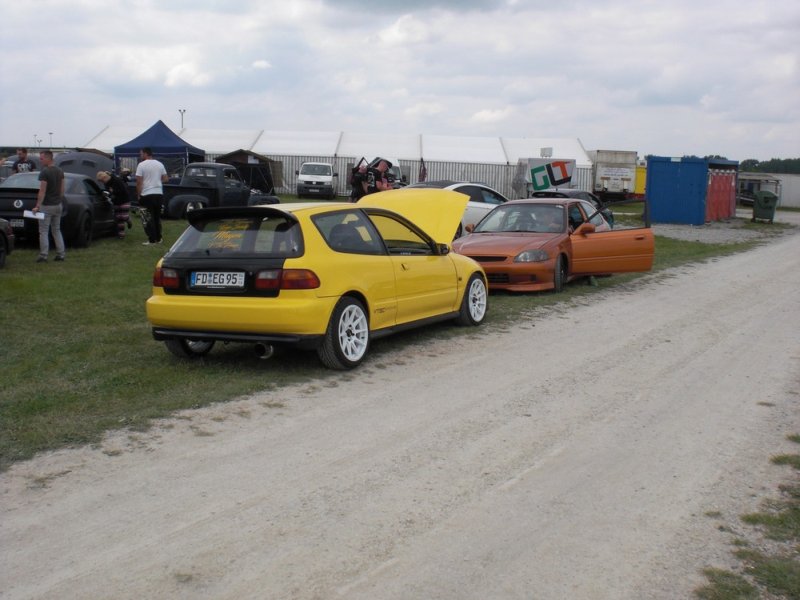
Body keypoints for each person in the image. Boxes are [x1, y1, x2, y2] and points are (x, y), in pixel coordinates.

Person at [32, 150, 66, 263]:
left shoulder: (45, 172)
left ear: (48, 158)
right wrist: (59, 200)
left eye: (42, 158)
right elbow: (62, 190)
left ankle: (43, 255)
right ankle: (61, 254)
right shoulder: (60, 171)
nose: (40, 160)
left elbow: (42, 191)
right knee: (56, 230)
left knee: (43, 231)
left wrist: (37, 206)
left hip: (47, 206)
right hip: (57, 205)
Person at [135, 147, 168, 245]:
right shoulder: (160, 164)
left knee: (148, 218)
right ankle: (159, 238)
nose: (140, 156)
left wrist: (138, 194)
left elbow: (139, 182)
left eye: (141, 154)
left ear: (145, 154)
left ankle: (152, 239)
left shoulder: (141, 165)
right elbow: (166, 179)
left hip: (147, 194)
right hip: (158, 193)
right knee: (157, 217)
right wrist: (156, 181)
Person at [97, 171, 132, 239]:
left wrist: (113, 191)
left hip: (124, 200)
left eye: (102, 180)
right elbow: (109, 192)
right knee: (119, 218)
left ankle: (128, 220)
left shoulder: (117, 180)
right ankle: (121, 235)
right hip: (115, 201)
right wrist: (107, 194)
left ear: (105, 177)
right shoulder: (107, 184)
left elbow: (122, 190)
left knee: (123, 216)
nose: (102, 182)